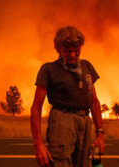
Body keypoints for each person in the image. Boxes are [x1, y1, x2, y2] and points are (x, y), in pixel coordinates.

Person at [31, 26, 105, 167]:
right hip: (62, 121)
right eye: (68, 51)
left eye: (76, 50)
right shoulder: (48, 69)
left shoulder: (86, 66)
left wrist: (100, 134)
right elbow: (36, 108)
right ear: (58, 48)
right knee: (60, 163)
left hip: (85, 122)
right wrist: (38, 144)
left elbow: (94, 102)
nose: (72, 54)